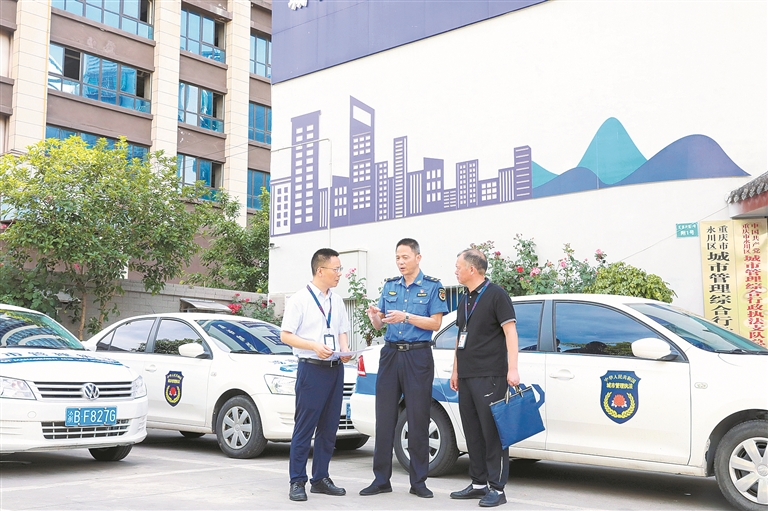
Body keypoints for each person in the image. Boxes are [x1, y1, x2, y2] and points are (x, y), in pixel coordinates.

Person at [360, 238, 448, 499]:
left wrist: (406, 317)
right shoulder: (390, 286)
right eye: (397, 257)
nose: (400, 262)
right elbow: (380, 324)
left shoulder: (433, 286)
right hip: (390, 354)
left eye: (405, 257)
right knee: (384, 417)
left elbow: (435, 324)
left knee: (418, 417)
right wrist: (374, 317)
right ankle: (380, 479)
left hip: (417, 355)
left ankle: (418, 481)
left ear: (418, 258)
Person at [280, 248, 352, 502]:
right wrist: (313, 346)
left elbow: (342, 330)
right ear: (320, 270)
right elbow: (286, 335)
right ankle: (297, 481)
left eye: (340, 269)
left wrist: (344, 350)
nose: (340, 274)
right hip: (311, 369)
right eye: (336, 269)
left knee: (329, 428)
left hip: (335, 369)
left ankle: (320, 478)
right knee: (305, 427)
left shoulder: (337, 300)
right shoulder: (299, 299)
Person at [449, 249, 520, 508]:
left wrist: (513, 368)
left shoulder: (497, 295)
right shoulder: (464, 299)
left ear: (472, 269)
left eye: (458, 266)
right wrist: (455, 370)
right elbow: (461, 336)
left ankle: (497, 489)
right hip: (467, 375)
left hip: (490, 374)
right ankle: (478, 483)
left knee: (492, 433)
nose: (455, 271)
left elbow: (510, 332)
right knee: (473, 431)